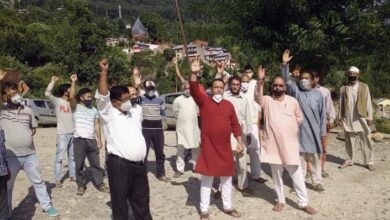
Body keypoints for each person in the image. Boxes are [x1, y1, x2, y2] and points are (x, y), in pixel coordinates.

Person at [255, 67, 316, 215]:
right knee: (276, 175)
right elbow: (257, 97)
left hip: (289, 145)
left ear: (285, 87)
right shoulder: (267, 100)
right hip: (273, 145)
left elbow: (299, 118)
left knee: (296, 175)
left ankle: (303, 203)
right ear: (272, 87)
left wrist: (290, 128)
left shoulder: (292, 101)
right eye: (275, 85)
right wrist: (260, 81)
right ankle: (280, 200)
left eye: (281, 85)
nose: (278, 87)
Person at [96, 59, 152, 220]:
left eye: (130, 98)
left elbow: (140, 96)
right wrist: (104, 73)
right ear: (114, 102)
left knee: (142, 202)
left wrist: (137, 84)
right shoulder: (109, 114)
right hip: (120, 166)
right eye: (125, 99)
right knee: (120, 204)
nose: (129, 101)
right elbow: (101, 95)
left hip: (140, 166)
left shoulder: (134, 112)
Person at [190, 59, 243, 219]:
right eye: (216, 87)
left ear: (224, 88)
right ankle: (204, 210)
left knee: (226, 179)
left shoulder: (229, 105)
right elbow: (193, 89)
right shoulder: (204, 101)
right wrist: (193, 73)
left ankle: (227, 207)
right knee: (207, 179)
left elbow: (235, 124)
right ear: (211, 89)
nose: (219, 90)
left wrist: (240, 141)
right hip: (209, 147)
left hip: (225, 147)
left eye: (221, 87)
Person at [1, 82, 59, 217]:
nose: (16, 95)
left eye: (16, 92)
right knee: (8, 187)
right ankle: (6, 213)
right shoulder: (2, 110)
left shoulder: (28, 110)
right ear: (5, 96)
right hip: (10, 157)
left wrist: (23, 139)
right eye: (12, 92)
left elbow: (32, 129)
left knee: (38, 181)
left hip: (30, 155)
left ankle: (47, 206)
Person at [281, 50, 327, 193]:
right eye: (302, 78)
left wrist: (322, 132)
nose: (304, 80)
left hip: (313, 132)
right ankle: (298, 184)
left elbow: (322, 115)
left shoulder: (319, 95)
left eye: (307, 78)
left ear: (313, 80)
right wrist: (284, 64)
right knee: (299, 160)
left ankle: (317, 181)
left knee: (314, 158)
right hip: (298, 132)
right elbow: (286, 80)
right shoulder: (296, 92)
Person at [68, 74, 109, 195]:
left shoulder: (94, 110)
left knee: (95, 164)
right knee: (79, 165)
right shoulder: (75, 107)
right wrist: (73, 83)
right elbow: (71, 97)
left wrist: (99, 139)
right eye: (88, 97)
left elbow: (97, 124)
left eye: (91, 97)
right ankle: (81, 185)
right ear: (81, 98)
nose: (90, 98)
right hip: (79, 141)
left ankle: (100, 184)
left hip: (91, 141)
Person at [338, 66, 375, 171]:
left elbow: (368, 102)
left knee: (365, 139)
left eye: (354, 74)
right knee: (349, 139)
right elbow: (341, 103)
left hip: (361, 116)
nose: (352, 75)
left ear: (358, 75)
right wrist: (340, 117)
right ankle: (349, 160)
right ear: (348, 75)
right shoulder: (343, 88)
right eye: (350, 73)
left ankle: (369, 161)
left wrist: (370, 117)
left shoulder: (364, 87)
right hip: (348, 116)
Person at [135, 71, 169, 182]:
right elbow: (133, 99)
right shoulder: (141, 99)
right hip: (145, 129)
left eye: (152, 88)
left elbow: (164, 115)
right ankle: (141, 174)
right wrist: (136, 85)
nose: (151, 90)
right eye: (148, 88)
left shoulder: (160, 101)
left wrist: (161, 124)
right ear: (145, 89)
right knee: (143, 153)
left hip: (158, 129)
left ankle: (161, 174)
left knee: (160, 153)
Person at [223, 76, 253, 194]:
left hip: (241, 132)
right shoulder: (225, 96)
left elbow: (247, 116)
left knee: (242, 160)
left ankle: (243, 185)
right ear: (230, 85)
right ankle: (223, 187)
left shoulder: (244, 98)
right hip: (227, 132)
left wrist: (249, 133)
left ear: (240, 85)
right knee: (227, 160)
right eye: (233, 84)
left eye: (237, 84)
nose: (235, 86)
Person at [45, 75, 75, 187]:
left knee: (72, 157)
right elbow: (47, 94)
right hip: (62, 133)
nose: (71, 90)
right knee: (59, 157)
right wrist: (52, 81)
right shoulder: (57, 101)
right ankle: (58, 179)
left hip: (73, 132)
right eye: (70, 88)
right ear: (65, 91)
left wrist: (73, 82)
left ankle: (73, 175)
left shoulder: (72, 103)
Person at [241, 66, 267, 183]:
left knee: (255, 150)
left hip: (252, 122)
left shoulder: (254, 85)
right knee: (240, 151)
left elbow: (258, 94)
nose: (245, 83)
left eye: (246, 81)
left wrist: (261, 81)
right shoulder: (236, 89)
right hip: (240, 124)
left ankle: (256, 174)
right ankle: (240, 175)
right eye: (243, 81)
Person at [172, 81, 200, 178]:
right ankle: (180, 169)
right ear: (182, 89)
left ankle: (196, 167)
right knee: (180, 149)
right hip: (181, 129)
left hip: (193, 128)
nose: (188, 90)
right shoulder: (177, 100)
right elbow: (175, 113)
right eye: (186, 88)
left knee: (195, 148)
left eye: (189, 88)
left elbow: (197, 111)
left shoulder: (195, 99)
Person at [312, 71, 336, 177]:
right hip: (308, 125)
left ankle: (321, 169)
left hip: (323, 124)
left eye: (314, 78)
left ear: (318, 78)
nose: (311, 80)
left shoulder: (325, 91)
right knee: (308, 148)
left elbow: (329, 106)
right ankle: (309, 170)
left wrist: (331, 119)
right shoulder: (303, 92)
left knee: (323, 148)